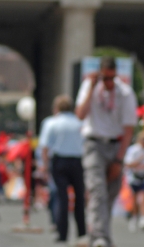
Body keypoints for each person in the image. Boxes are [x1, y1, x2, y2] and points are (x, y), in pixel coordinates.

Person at [75, 56, 138, 247]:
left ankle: (99, 233)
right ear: (100, 74)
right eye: (105, 78)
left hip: (116, 145)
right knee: (97, 192)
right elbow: (80, 115)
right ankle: (100, 237)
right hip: (94, 144)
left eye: (112, 78)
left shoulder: (125, 93)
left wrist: (119, 160)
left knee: (110, 194)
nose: (109, 83)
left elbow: (128, 129)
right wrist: (92, 88)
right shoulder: (90, 86)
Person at [39, 95, 87, 246]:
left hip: (59, 161)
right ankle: (82, 232)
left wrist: (45, 165)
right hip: (77, 161)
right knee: (79, 197)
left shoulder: (51, 122)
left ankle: (62, 233)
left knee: (62, 197)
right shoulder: (80, 123)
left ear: (56, 108)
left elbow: (45, 146)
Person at [124, 130, 144, 232]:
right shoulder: (133, 150)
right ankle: (134, 217)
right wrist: (139, 160)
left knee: (143, 196)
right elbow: (128, 164)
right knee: (135, 199)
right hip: (134, 177)